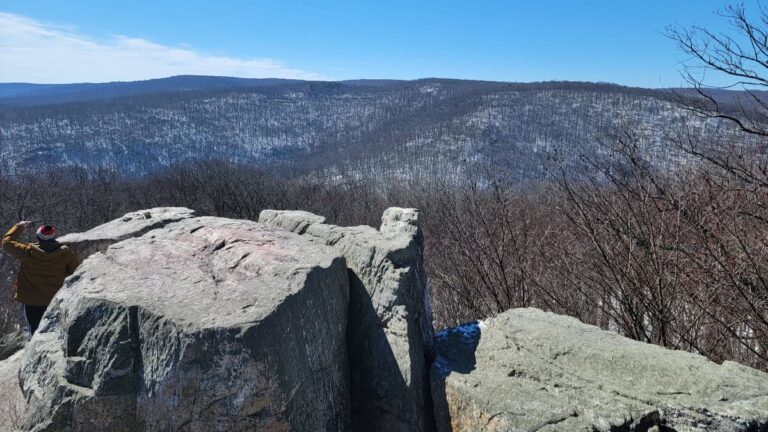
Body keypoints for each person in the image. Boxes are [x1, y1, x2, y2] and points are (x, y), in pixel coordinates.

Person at [2, 221, 79, 335]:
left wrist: (19, 226)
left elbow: (6, 243)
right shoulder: (65, 253)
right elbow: (76, 271)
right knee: (55, 331)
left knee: (34, 331)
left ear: (38, 237)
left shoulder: (27, 252)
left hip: (31, 301)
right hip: (54, 299)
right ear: (54, 237)